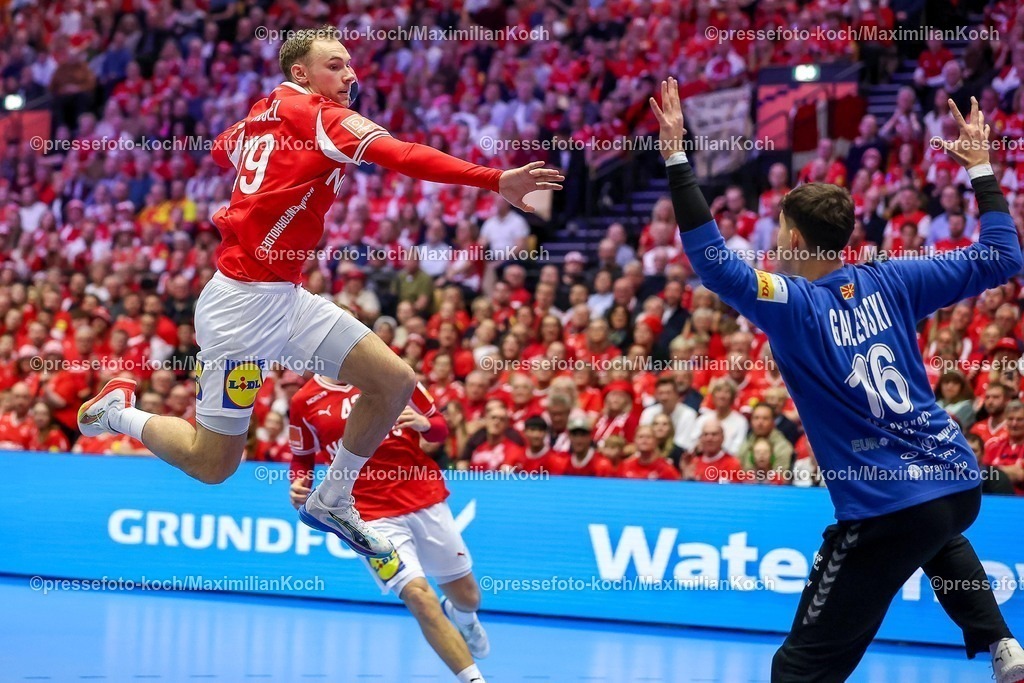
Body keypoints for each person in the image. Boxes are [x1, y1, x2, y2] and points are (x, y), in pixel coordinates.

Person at [76, 26, 562, 558]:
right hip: (239, 311)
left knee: (394, 380)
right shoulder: (322, 118)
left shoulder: (266, 112)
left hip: (286, 297)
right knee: (212, 464)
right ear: (301, 74)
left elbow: (221, 149)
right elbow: (403, 154)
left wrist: (262, 160)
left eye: (351, 64)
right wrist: (494, 179)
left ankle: (333, 495)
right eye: (335, 65)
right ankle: (117, 412)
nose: (350, 74)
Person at [651, 82, 1024, 682]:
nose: (773, 239)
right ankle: (1002, 643)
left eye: (778, 229)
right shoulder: (896, 278)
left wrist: (675, 156)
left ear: (794, 239)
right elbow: (1004, 257)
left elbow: (713, 262)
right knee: (931, 528)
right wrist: (981, 165)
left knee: (798, 672)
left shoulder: (791, 302)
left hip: (886, 507)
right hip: (956, 482)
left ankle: (992, 638)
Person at [288, 375, 490, 683]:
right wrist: (299, 484)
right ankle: (474, 679)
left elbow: (440, 429)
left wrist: (424, 423)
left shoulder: (392, 374)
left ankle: (462, 614)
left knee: (469, 598)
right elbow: (302, 459)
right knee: (419, 597)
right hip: (366, 516)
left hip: (423, 498)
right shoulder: (304, 401)